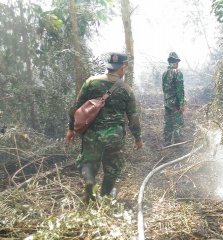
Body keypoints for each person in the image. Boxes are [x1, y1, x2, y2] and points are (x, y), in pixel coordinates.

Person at [65, 52, 143, 203]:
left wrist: (71, 129)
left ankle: (90, 184)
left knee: (87, 163)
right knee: (112, 168)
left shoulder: (91, 82)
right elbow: (133, 118)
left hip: (93, 134)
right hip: (115, 136)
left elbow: (76, 108)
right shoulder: (126, 89)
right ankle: (106, 196)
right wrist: (138, 138)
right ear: (123, 67)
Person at [162, 52, 185, 146]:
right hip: (175, 103)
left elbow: (164, 88)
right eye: (177, 61)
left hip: (167, 102)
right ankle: (178, 144)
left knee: (168, 122)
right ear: (175, 62)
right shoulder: (178, 73)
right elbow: (180, 90)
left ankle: (167, 143)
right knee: (178, 122)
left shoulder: (164, 73)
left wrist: (167, 99)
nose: (177, 63)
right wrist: (182, 103)